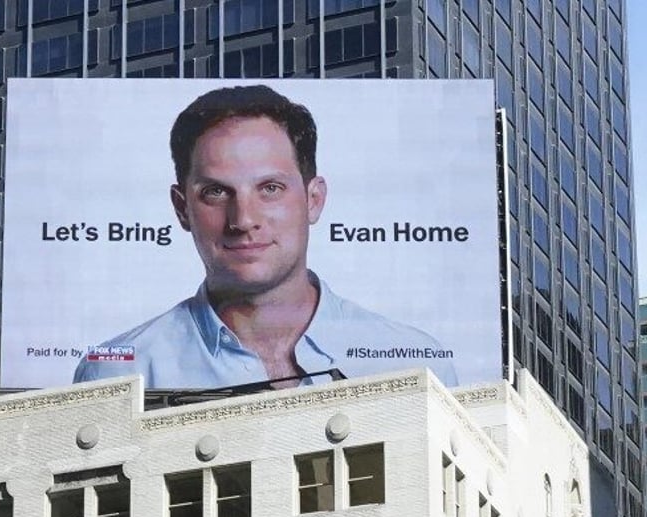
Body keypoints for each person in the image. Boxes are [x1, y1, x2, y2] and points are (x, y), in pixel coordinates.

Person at [74, 84, 457, 389]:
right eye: (216, 192)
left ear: (314, 199)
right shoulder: (118, 374)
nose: (243, 219)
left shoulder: (415, 364)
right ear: (180, 208)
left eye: (270, 188)